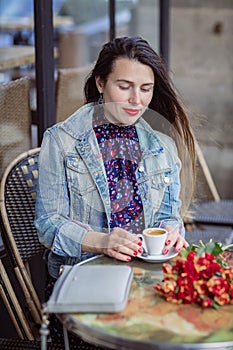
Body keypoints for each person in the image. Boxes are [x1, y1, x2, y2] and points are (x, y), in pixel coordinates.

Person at [35, 36, 196, 281]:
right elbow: (49, 225)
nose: (137, 100)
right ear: (100, 83)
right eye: (124, 86)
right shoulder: (61, 141)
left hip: (146, 275)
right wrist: (103, 242)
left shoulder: (162, 144)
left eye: (145, 89)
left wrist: (170, 232)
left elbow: (168, 216)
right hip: (84, 277)